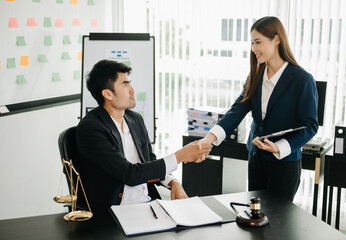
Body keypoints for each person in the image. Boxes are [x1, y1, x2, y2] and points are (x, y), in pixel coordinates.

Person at [200, 16, 318, 201]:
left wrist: (279, 147)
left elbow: (310, 125)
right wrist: (209, 138)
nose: (254, 48)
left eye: (258, 42)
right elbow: (237, 110)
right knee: (256, 215)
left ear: (277, 39)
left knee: (278, 222)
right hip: (256, 158)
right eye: (252, 43)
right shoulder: (256, 75)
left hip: (284, 163)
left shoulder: (302, 80)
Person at [77, 59, 212, 213]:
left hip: (148, 205)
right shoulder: (91, 128)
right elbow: (130, 174)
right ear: (107, 94)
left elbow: (149, 161)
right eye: (125, 84)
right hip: (116, 212)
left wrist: (172, 182)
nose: (132, 89)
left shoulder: (134, 119)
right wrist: (180, 156)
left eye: (129, 83)